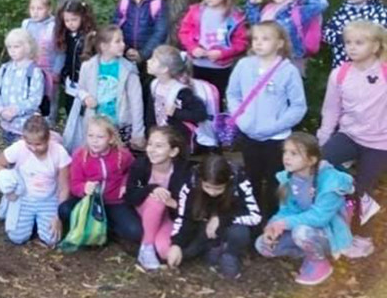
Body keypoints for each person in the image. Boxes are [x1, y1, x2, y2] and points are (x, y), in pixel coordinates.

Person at [256, 132, 370, 286]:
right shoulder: (288, 178)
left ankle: (320, 262)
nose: (286, 157)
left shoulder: (331, 181)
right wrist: (273, 224)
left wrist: (284, 223)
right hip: (303, 228)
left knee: (302, 232)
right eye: (285, 152)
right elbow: (286, 210)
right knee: (263, 245)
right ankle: (307, 252)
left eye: (294, 153)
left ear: (311, 160)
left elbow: (320, 217)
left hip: (330, 232)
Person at [226, 21, 306, 219]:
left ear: (279, 43)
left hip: (276, 138)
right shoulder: (244, 65)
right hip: (249, 135)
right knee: (250, 178)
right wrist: (241, 120)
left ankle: (272, 220)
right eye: (255, 39)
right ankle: (249, 219)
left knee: (274, 181)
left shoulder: (288, 71)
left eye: (265, 39)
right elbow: (233, 93)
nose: (259, 43)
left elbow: (298, 106)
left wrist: (275, 126)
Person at [317, 20, 387, 232]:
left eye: (359, 42)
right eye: (348, 42)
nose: (352, 47)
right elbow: (331, 110)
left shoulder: (385, 72)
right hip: (349, 135)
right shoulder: (340, 74)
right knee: (319, 165)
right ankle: (327, 216)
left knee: (360, 192)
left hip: (379, 142)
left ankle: (357, 230)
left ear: (375, 46)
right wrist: (323, 138)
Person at [167, 154, 262, 280]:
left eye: (218, 189)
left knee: (240, 233)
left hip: (231, 224)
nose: (212, 193)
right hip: (203, 225)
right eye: (207, 187)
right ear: (200, 180)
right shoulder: (190, 185)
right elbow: (184, 217)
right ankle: (214, 246)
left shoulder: (240, 182)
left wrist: (221, 219)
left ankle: (230, 253)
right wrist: (176, 243)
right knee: (185, 253)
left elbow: (255, 215)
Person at [59, 117, 141, 245]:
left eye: (100, 137)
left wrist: (125, 184)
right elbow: (74, 183)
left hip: (114, 201)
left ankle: (107, 228)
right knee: (64, 210)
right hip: (89, 202)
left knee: (135, 232)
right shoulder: (80, 155)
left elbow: (133, 170)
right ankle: (93, 227)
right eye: (90, 136)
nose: (94, 141)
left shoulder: (122, 154)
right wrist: (84, 188)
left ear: (111, 138)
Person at [0, 114, 71, 246]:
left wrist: (58, 216)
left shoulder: (59, 152)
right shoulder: (19, 148)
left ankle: (38, 221)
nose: (34, 148)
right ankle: (11, 204)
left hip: (48, 198)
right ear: (24, 138)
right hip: (24, 196)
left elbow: (64, 187)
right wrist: (6, 179)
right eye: (29, 143)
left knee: (52, 239)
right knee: (16, 237)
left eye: (38, 144)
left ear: (48, 139)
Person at [125, 127, 193, 270]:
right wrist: (151, 188)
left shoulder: (183, 172)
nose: (152, 150)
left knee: (165, 252)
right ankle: (146, 247)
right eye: (150, 144)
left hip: (168, 215)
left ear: (173, 152)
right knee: (157, 201)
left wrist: (175, 204)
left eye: (159, 146)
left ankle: (153, 243)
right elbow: (130, 196)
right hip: (144, 208)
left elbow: (189, 206)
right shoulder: (140, 165)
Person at [177, 0, 249, 106]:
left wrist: (223, 53)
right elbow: (184, 32)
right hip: (198, 64)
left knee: (217, 97)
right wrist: (193, 48)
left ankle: (217, 123)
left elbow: (241, 42)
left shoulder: (234, 16)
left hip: (221, 66)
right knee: (198, 97)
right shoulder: (196, 11)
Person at [244, 0, 328, 75]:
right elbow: (255, 25)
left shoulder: (298, 10)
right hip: (265, 58)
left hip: (291, 60)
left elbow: (321, 4)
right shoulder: (268, 8)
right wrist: (252, 5)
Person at [76, 25, 146, 149]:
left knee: (119, 160)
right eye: (117, 41)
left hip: (120, 125)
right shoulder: (88, 67)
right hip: (95, 125)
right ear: (104, 46)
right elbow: (80, 89)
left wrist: (138, 132)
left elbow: (136, 102)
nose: (123, 44)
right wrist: (86, 97)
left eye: (122, 40)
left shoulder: (128, 69)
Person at [145, 45, 214, 152]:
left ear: (164, 69)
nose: (148, 61)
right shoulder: (155, 85)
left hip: (179, 143)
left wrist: (176, 112)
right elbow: (151, 113)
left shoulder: (181, 91)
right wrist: (149, 134)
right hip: (161, 138)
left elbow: (200, 114)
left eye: (153, 60)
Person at [323, 0, 387, 69]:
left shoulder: (380, 13)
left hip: (371, 69)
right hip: (342, 66)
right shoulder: (344, 9)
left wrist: (348, 37)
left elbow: (377, 39)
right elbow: (327, 32)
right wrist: (343, 38)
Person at [0, 27, 46, 145]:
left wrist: (16, 110)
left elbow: (35, 99)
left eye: (16, 47)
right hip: (6, 125)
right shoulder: (5, 68)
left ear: (27, 47)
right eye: (9, 47)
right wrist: (0, 109)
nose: (12, 51)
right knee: (10, 157)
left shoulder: (34, 71)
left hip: (26, 128)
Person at [52, 0, 97, 118]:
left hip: (85, 82)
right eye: (67, 20)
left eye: (74, 20)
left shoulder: (90, 36)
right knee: (70, 109)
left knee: (84, 113)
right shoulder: (65, 35)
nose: (70, 24)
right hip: (70, 80)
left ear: (83, 17)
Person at [22, 0, 58, 121]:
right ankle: (28, 122)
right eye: (32, 8)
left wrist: (57, 71)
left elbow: (60, 51)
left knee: (46, 98)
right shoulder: (26, 24)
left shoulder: (53, 26)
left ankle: (47, 124)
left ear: (48, 9)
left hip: (47, 70)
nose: (35, 12)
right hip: (28, 68)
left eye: (39, 8)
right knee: (29, 94)